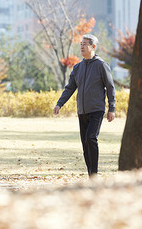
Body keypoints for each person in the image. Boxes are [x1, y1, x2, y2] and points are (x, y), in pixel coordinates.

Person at [53, 34, 116, 177]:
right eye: (80, 44)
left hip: (97, 110)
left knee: (91, 138)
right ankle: (91, 174)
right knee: (85, 144)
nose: (81, 46)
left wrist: (111, 108)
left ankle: (94, 173)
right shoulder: (78, 68)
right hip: (82, 111)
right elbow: (70, 88)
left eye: (85, 44)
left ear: (93, 47)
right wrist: (59, 104)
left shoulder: (101, 65)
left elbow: (110, 87)